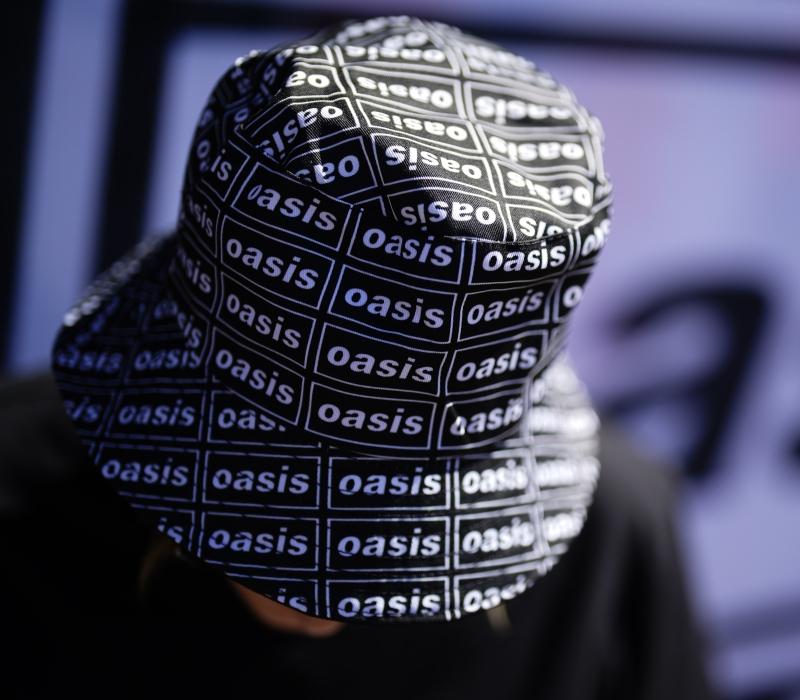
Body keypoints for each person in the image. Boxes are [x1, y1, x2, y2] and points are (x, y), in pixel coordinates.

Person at [0, 15, 716, 700]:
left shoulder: (615, 541)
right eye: (262, 496)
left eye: (390, 524)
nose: (315, 601)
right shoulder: (15, 483)